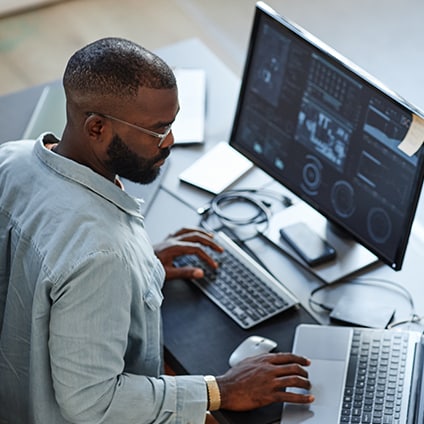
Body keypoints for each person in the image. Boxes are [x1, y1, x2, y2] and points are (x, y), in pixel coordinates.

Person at [0, 37, 314, 424]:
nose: (170, 141)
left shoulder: (10, 159)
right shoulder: (102, 253)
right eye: (157, 130)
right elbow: (92, 403)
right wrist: (221, 390)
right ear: (96, 127)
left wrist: (140, 267)